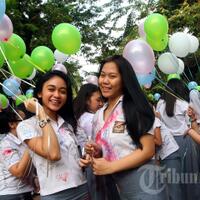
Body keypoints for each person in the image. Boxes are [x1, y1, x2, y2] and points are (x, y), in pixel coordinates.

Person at [80, 55, 168, 200]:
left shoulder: (135, 107)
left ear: (124, 79)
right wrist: (96, 150)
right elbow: (112, 147)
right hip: (115, 188)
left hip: (144, 185)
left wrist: (110, 167)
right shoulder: (98, 115)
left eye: (112, 76)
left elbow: (147, 150)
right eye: (102, 75)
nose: (105, 81)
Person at [16, 70, 89, 200]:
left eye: (62, 91)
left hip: (82, 188)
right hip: (55, 194)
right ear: (39, 93)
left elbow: (76, 155)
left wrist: (86, 157)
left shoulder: (68, 124)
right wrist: (41, 113)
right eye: (51, 89)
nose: (57, 95)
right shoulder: (26, 126)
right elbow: (53, 153)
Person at [156, 78, 199, 200]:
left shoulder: (160, 104)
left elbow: (159, 123)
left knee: (172, 180)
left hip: (167, 144)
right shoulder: (184, 104)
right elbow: (189, 125)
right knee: (189, 176)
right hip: (185, 141)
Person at [0, 107, 34, 200]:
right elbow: (18, 172)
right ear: (12, 124)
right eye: (23, 120)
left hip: (25, 192)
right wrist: (31, 144)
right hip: (11, 195)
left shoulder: (22, 141)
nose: (28, 123)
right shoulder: (6, 144)